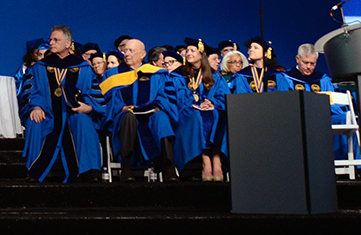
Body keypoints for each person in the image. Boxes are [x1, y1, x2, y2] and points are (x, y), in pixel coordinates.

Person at [22, 26, 103, 183]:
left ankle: (89, 171)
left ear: (68, 43)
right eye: (50, 39)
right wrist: (36, 106)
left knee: (84, 121)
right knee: (35, 120)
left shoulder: (83, 66)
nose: (51, 42)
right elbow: (31, 91)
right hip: (48, 114)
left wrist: (89, 107)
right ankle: (34, 171)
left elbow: (92, 93)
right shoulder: (40, 67)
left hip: (74, 114)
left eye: (55, 40)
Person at [99, 38, 178, 182]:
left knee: (161, 117)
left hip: (150, 117)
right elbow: (108, 99)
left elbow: (165, 96)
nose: (126, 54)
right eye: (125, 51)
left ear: (142, 54)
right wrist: (121, 107)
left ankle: (169, 167)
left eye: (131, 51)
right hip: (124, 118)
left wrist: (157, 106)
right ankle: (126, 166)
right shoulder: (113, 75)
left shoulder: (156, 73)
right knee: (128, 117)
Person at [173, 38, 231, 182]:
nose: (188, 53)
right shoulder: (180, 76)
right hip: (190, 110)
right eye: (187, 51)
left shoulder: (215, 76)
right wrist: (194, 104)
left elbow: (223, 95)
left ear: (201, 54)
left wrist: (211, 102)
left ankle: (217, 160)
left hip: (212, 108)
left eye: (193, 51)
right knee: (196, 116)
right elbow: (179, 96)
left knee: (218, 116)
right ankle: (206, 161)